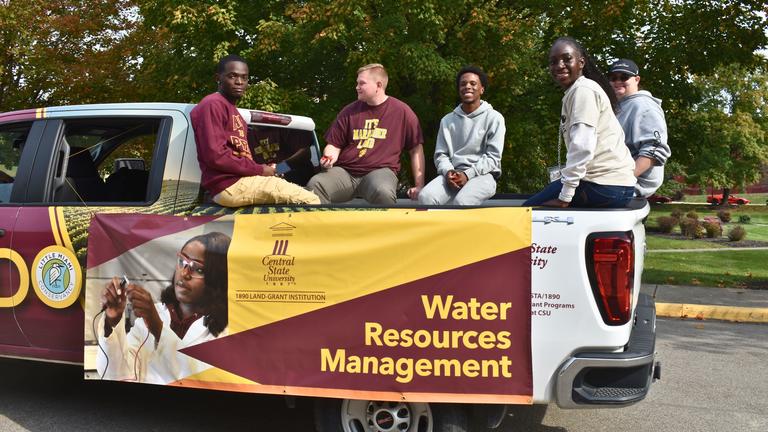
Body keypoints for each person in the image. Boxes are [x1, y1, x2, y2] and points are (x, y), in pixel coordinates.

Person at [96, 232, 231, 384]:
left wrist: (158, 329)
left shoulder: (226, 330)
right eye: (182, 261)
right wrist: (111, 323)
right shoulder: (153, 315)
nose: (184, 273)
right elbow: (117, 376)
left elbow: (200, 380)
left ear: (217, 278)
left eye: (198, 269)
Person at [190, 54, 320, 206]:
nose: (239, 82)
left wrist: (274, 168)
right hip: (231, 184)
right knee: (311, 201)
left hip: (245, 180)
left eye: (244, 78)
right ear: (218, 78)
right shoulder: (213, 104)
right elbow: (216, 155)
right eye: (232, 76)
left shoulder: (237, 114)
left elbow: (303, 153)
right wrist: (261, 170)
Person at [524, 37, 636, 208]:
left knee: (525, 213)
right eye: (553, 62)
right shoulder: (581, 89)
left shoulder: (583, 91)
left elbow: (582, 146)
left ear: (581, 62)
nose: (559, 65)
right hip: (617, 187)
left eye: (567, 59)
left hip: (604, 186)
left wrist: (565, 196)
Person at [307, 63, 425, 204]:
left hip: (380, 172)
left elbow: (416, 150)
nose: (357, 87)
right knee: (315, 185)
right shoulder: (349, 111)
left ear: (379, 85)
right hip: (346, 172)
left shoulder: (402, 111)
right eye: (357, 83)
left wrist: (419, 185)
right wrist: (329, 157)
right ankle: (325, 226)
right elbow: (334, 145)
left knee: (383, 192)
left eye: (361, 83)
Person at [419, 66, 505, 206]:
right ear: (459, 89)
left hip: (483, 176)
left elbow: (493, 157)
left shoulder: (494, 118)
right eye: (463, 84)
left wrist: (467, 174)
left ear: (482, 89)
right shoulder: (447, 120)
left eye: (473, 83)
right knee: (425, 197)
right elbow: (441, 155)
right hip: (452, 175)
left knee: (462, 202)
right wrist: (448, 172)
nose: (467, 87)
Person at [607, 58, 671, 198]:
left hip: (632, 185)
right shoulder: (618, 107)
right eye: (613, 78)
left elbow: (655, 149)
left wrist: (622, 180)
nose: (617, 81)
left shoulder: (644, 106)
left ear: (636, 79)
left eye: (624, 77)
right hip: (611, 179)